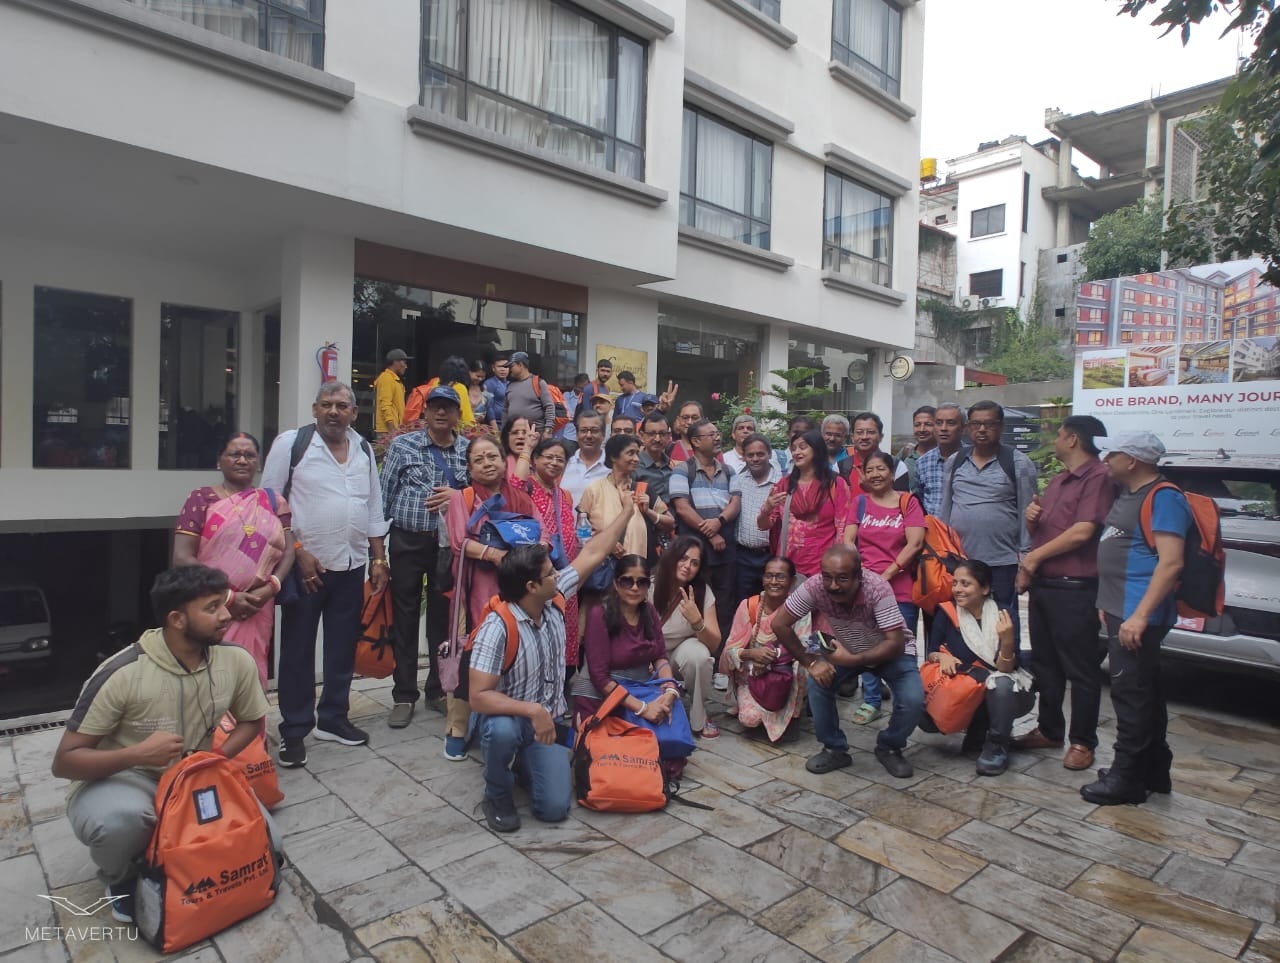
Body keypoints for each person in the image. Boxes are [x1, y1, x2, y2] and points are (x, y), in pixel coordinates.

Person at [53, 565, 269, 923]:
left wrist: (214, 760)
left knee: (266, 845)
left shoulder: (234, 659)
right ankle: (122, 878)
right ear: (177, 619)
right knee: (119, 823)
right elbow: (65, 762)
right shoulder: (122, 672)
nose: (226, 615)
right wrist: (137, 754)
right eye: (212, 607)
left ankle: (171, 851)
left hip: (193, 777)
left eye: (223, 603)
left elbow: (251, 721)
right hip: (127, 778)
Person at [470, 501, 638, 832]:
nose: (558, 574)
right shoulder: (498, 626)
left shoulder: (553, 597)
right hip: (512, 718)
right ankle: (497, 793)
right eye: (550, 573)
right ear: (531, 586)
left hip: (547, 723)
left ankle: (524, 764)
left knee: (554, 809)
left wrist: (627, 512)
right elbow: (478, 696)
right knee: (501, 731)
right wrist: (532, 711)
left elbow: (594, 552)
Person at [261, 382, 389, 768]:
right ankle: (294, 730)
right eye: (327, 405)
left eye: (342, 406)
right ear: (315, 409)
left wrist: (379, 559)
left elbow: (373, 505)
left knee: (341, 647)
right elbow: (269, 505)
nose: (334, 412)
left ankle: (333, 718)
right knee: (298, 650)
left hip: (350, 564)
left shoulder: (363, 448)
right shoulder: (292, 444)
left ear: (354, 413)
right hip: (305, 568)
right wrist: (297, 551)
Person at [1083, 431, 1188, 806]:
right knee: (1146, 691)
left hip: (1137, 612)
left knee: (1130, 695)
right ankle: (1154, 770)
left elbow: (1171, 562)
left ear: (1133, 460)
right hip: (1121, 608)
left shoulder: (1164, 497)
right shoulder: (1131, 494)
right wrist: (1108, 601)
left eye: (1112, 454)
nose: (1105, 459)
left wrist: (1140, 615)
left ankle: (1126, 778)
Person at [1013, 415, 1115, 771]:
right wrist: (1031, 520)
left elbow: (1083, 532)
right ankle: (1050, 728)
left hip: (1075, 588)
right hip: (1044, 585)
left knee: (1081, 668)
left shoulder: (1098, 477)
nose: (1054, 440)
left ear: (1073, 439)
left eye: (1058, 435)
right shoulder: (1058, 481)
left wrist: (1032, 560)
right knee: (1046, 664)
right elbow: (1044, 531)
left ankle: (1083, 741)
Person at [771, 545, 924, 779]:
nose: (833, 585)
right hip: (847, 646)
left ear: (858, 577)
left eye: (842, 578)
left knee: (913, 700)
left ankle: (890, 746)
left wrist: (854, 660)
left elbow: (896, 643)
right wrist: (811, 663)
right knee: (818, 684)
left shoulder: (877, 588)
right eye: (828, 577)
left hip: (889, 651)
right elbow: (779, 624)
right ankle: (834, 748)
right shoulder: (814, 586)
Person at [172, 431, 295, 690]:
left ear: (258, 463)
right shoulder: (201, 499)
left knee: (250, 676)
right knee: (210, 679)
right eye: (234, 454)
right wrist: (227, 597)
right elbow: (181, 557)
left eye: (249, 455)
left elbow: (289, 551)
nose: (242, 460)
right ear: (219, 460)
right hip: (210, 604)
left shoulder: (273, 502)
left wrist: (270, 588)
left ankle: (250, 718)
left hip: (257, 605)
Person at [443, 435, 539, 760]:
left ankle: (506, 724)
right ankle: (457, 728)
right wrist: (495, 555)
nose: (487, 463)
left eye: (492, 457)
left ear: (503, 461)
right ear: (470, 468)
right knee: (468, 654)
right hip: (474, 590)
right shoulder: (463, 498)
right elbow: (459, 542)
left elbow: (539, 531)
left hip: (517, 592)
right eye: (479, 459)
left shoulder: (520, 497)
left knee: (513, 655)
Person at [380, 385, 470, 728]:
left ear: (458, 414)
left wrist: (457, 496)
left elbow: (480, 494)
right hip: (408, 541)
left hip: (447, 546)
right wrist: (378, 552)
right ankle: (404, 695)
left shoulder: (468, 450)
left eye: (448, 407)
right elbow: (384, 495)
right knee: (404, 617)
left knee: (442, 620)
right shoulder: (403, 446)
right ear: (425, 412)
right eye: (435, 407)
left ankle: (436, 689)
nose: (441, 413)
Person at [924, 560, 1034, 775]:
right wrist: (941, 657)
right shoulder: (947, 612)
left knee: (1001, 683)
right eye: (955, 583)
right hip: (967, 688)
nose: (957, 589)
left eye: (965, 584)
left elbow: (1006, 669)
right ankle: (977, 728)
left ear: (984, 589)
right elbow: (932, 651)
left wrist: (1007, 640)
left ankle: (997, 745)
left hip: (1005, 695)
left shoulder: (1005, 615)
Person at [939, 400, 1037, 642]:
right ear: (967, 428)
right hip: (961, 561)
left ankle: (1006, 666)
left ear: (1001, 427)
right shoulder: (955, 461)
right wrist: (942, 555)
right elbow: (945, 508)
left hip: (1002, 563)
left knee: (1003, 626)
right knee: (961, 628)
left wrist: (1025, 564)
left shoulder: (1018, 463)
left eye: (989, 424)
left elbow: (1027, 515)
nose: (982, 429)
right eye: (976, 424)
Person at [846, 450, 925, 725]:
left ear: (892, 473)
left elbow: (915, 543)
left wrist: (886, 575)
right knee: (868, 644)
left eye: (881, 469)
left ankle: (906, 702)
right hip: (865, 587)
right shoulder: (859, 503)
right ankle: (872, 700)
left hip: (901, 588)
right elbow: (848, 542)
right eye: (870, 470)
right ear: (863, 475)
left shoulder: (907, 502)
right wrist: (861, 577)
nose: (875, 474)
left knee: (902, 646)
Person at [570, 556, 679, 726]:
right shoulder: (600, 614)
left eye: (641, 582)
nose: (635, 588)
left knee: (670, 726)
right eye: (627, 581)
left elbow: (659, 656)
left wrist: (670, 687)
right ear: (616, 583)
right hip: (600, 700)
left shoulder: (649, 611)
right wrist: (643, 708)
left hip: (639, 693)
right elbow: (599, 677)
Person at [668, 418, 740, 664]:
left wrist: (719, 521)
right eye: (711, 434)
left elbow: (735, 503)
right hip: (694, 552)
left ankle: (722, 662)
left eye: (718, 433)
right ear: (696, 441)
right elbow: (682, 508)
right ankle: (696, 658)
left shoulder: (729, 471)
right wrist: (711, 532)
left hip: (725, 551)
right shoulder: (682, 470)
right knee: (695, 601)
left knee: (725, 605)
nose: (718, 437)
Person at [718, 556, 809, 743]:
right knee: (749, 720)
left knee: (804, 665)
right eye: (769, 576)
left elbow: (804, 646)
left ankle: (794, 715)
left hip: (784, 677)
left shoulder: (799, 608)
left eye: (780, 577)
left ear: (792, 581)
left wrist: (772, 659)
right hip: (752, 677)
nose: (773, 582)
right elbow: (729, 651)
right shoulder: (749, 606)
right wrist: (751, 654)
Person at [757, 429, 853, 578]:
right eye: (793, 448)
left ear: (817, 449)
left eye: (802, 447)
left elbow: (842, 528)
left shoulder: (835, 484)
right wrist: (767, 509)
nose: (796, 452)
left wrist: (836, 565)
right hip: (788, 567)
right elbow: (764, 525)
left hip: (823, 567)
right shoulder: (784, 485)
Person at [652, 536, 722, 738]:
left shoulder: (702, 591)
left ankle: (698, 717)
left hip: (677, 655)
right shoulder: (650, 585)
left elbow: (714, 644)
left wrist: (697, 621)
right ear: (672, 557)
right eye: (683, 558)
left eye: (694, 563)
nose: (687, 566)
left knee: (700, 656)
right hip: (648, 656)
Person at [524, 437, 582, 669]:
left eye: (560, 459)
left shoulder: (565, 495)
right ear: (535, 459)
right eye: (549, 457)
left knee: (565, 623)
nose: (555, 463)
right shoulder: (526, 489)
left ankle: (564, 675)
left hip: (565, 573)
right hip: (538, 574)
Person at [579, 433, 674, 563]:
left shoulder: (643, 489)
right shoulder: (594, 489)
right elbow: (581, 531)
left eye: (637, 454)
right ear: (613, 457)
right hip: (603, 565)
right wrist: (606, 542)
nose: (636, 459)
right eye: (630, 453)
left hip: (640, 567)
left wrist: (649, 512)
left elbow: (670, 524)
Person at [730, 432, 781, 605]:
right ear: (744, 457)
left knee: (772, 604)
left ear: (769, 454)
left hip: (771, 555)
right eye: (750, 455)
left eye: (760, 454)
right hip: (743, 557)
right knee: (744, 604)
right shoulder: (738, 480)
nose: (755, 459)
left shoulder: (781, 483)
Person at [913, 402, 965, 515]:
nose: (943, 428)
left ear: (963, 428)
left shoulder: (972, 459)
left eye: (951, 423)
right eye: (938, 423)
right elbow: (920, 499)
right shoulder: (922, 462)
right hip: (932, 525)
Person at [404, 356, 477, 429]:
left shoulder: (434, 382)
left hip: (429, 430)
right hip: (449, 431)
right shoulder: (460, 387)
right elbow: (468, 421)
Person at [842, 412, 909, 493]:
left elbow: (902, 499)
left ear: (881, 437)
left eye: (871, 432)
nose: (864, 437)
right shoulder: (841, 467)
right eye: (859, 432)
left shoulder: (897, 466)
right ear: (852, 437)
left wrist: (871, 489)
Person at [562, 409, 608, 506]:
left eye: (594, 431)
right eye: (583, 431)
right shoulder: (564, 464)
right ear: (577, 434)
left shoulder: (612, 467)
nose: (588, 436)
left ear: (603, 435)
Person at [504, 352, 555, 438]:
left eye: (511, 366)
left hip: (536, 434)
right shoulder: (510, 386)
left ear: (520, 365)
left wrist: (548, 430)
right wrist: (504, 431)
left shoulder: (538, 383)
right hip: (515, 435)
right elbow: (505, 410)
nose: (509, 370)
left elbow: (549, 407)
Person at [636, 412, 676, 508]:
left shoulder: (673, 466)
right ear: (642, 436)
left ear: (668, 436)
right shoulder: (634, 466)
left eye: (662, 434)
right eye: (651, 434)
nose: (657, 439)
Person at [897, 406, 937, 493]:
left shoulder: (945, 456)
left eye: (928, 424)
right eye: (917, 425)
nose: (922, 429)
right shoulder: (905, 453)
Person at [372, 348, 410, 434]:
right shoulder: (386, 378)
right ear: (395, 362)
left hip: (395, 430)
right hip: (387, 431)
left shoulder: (395, 380)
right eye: (404, 362)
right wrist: (392, 429)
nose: (406, 366)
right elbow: (385, 405)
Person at [500, 415, 537, 483]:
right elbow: (517, 485)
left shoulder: (540, 464)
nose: (520, 437)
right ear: (507, 437)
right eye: (515, 433)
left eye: (525, 432)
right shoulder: (500, 465)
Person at [560, 373, 590, 442]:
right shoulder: (566, 396)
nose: (582, 391)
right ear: (575, 385)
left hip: (584, 437)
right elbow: (569, 415)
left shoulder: (588, 397)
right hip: (569, 436)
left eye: (584, 388)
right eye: (580, 388)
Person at [483, 354, 510, 426]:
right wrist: (494, 426)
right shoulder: (489, 383)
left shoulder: (510, 384)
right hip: (496, 424)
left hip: (509, 423)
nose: (503, 369)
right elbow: (489, 407)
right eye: (499, 366)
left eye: (506, 367)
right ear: (493, 368)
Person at [469, 359, 495, 426]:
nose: (480, 379)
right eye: (477, 376)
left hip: (479, 429)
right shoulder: (462, 389)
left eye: (483, 377)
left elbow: (491, 415)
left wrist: (496, 430)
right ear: (469, 372)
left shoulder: (484, 390)